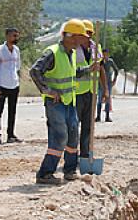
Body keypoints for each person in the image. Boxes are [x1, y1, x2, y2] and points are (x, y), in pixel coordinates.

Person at [30, 19, 96, 185]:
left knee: (73, 137)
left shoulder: (71, 53)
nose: (83, 40)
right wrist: (48, 91)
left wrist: (89, 69)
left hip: (69, 103)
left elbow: (72, 73)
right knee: (60, 138)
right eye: (80, 37)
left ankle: (70, 170)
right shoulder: (52, 53)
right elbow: (35, 71)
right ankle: (45, 173)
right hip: (55, 104)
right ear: (70, 36)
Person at [75, 20, 107, 162]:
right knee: (74, 125)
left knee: (88, 125)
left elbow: (101, 69)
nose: (87, 36)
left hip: (92, 91)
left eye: (89, 33)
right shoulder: (74, 48)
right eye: (85, 33)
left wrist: (105, 90)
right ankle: (71, 154)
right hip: (77, 92)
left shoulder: (96, 47)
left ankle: (85, 154)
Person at [0, 27, 22, 144]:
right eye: (14, 36)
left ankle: (10, 134)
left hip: (14, 84)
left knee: (12, 111)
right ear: (7, 36)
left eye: (17, 36)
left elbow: (17, 66)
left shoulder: (16, 50)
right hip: (2, 85)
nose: (16, 38)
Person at [96, 48, 119, 122]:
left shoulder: (110, 61)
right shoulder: (100, 62)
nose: (105, 56)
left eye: (106, 54)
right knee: (99, 100)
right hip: (100, 83)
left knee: (107, 100)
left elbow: (116, 70)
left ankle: (107, 116)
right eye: (104, 54)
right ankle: (98, 116)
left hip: (108, 83)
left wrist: (114, 80)